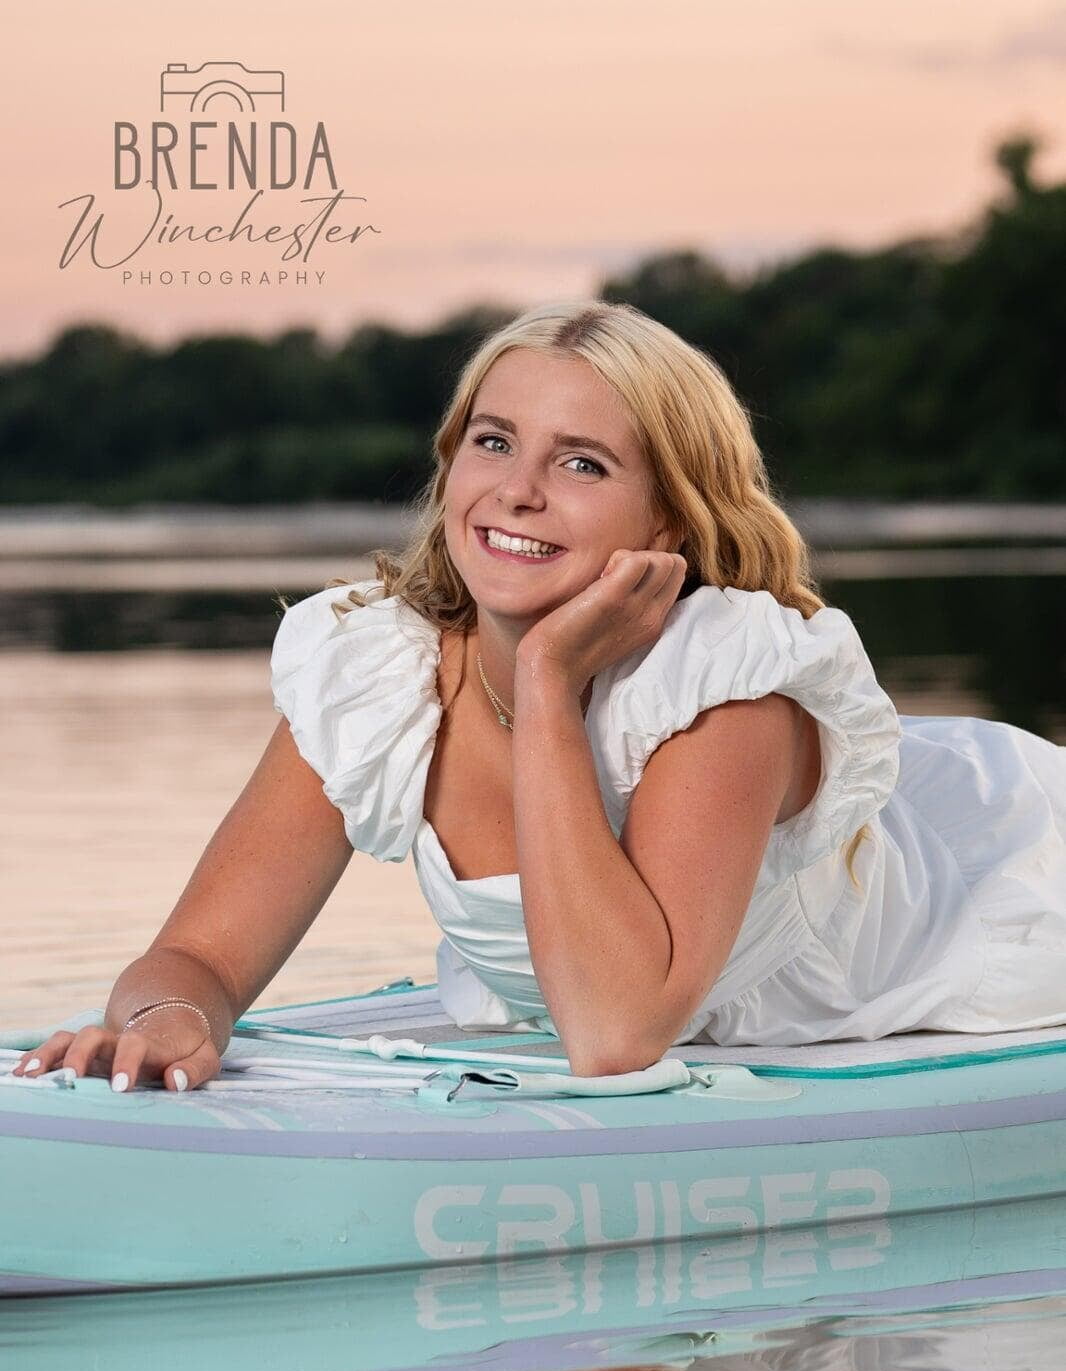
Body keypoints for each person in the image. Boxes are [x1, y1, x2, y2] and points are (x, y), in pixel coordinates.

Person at [15, 298, 1066, 1092]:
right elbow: (201, 952)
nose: (518, 489)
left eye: (583, 463)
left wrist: (553, 686)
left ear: (668, 522)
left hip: (992, 889)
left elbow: (614, 1034)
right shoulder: (380, 677)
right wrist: (164, 1020)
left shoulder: (727, 691)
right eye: (493, 440)